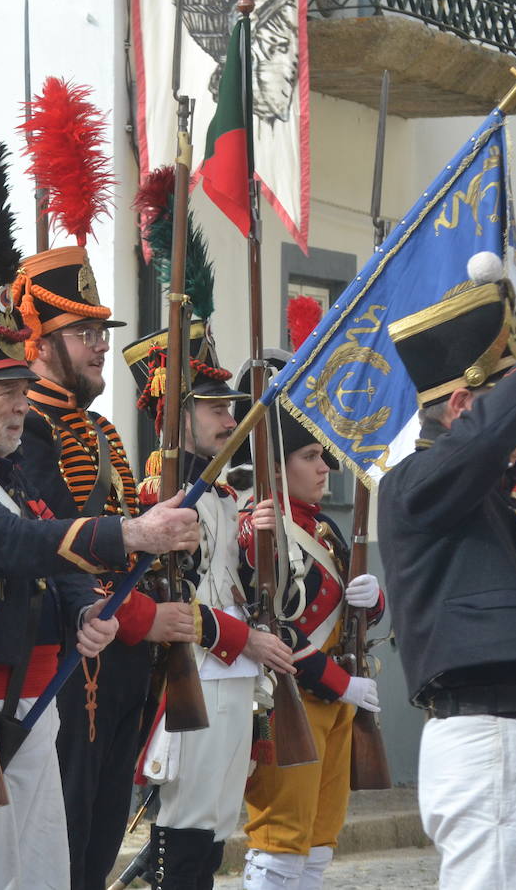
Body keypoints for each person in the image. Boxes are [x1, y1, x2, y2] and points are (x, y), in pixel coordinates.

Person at [0, 292, 200, 889]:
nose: (20, 405)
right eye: (3, 393)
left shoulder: (4, 466)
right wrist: (134, 532)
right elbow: (12, 540)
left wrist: (84, 605)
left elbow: (49, 541)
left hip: (36, 700)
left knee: (36, 868)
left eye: (21, 389)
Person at [379, 270, 516, 888]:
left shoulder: (492, 504)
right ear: (465, 406)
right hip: (502, 745)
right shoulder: (414, 484)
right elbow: (481, 442)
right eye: (503, 397)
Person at [13, 242, 197, 889]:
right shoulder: (27, 427)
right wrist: (148, 616)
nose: (99, 346)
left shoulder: (102, 432)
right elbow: (49, 543)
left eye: (99, 331)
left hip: (119, 663)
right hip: (68, 657)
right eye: (84, 332)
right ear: (37, 338)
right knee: (58, 849)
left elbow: (119, 536)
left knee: (95, 846)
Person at [123, 322, 295, 890]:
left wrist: (258, 543)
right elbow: (172, 598)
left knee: (217, 825)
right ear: (174, 412)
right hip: (193, 671)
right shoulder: (157, 496)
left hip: (233, 673)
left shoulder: (222, 494)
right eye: (214, 407)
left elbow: (238, 585)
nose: (230, 420)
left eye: (229, 407)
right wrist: (244, 639)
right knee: (187, 824)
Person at [233, 350, 384, 890]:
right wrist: (342, 684)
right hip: (292, 698)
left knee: (320, 837)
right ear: (278, 466)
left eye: (323, 456)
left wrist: (372, 601)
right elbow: (271, 626)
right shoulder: (258, 530)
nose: (324, 469)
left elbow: (346, 612)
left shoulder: (324, 529)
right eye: (311, 456)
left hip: (338, 700)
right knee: (281, 838)